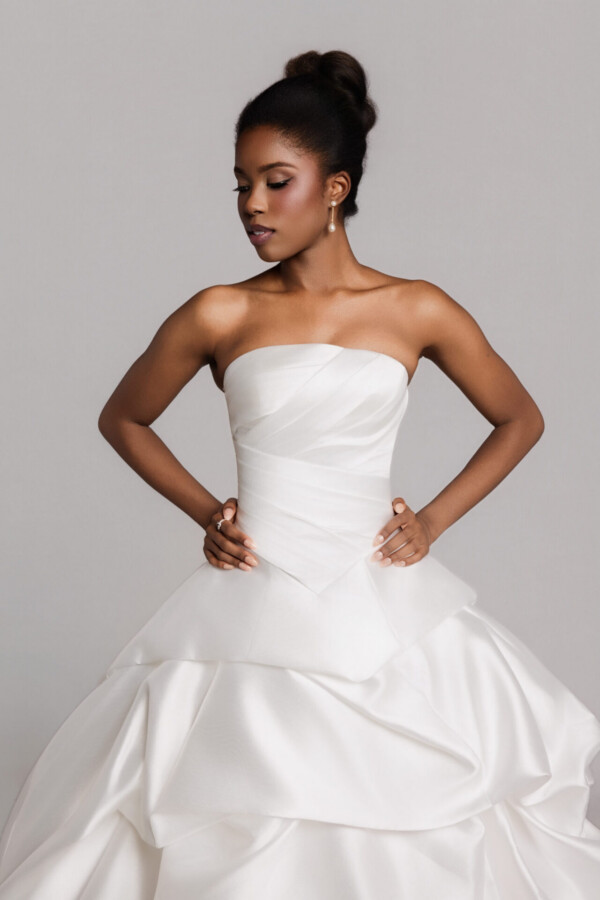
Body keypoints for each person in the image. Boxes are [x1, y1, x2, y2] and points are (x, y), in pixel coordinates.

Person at [0, 48, 599, 899]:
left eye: (275, 180)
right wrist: (209, 512)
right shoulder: (222, 310)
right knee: (227, 803)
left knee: (416, 807)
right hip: (253, 602)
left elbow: (520, 418)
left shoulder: (415, 307)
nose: (251, 204)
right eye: (240, 183)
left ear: (335, 188)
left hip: (380, 594)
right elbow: (123, 418)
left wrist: (430, 521)